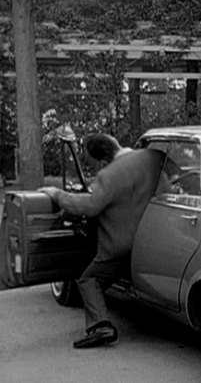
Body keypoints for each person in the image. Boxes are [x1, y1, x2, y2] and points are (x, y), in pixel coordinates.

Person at [39, 133, 165, 349]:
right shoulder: (153, 157)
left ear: (103, 160)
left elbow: (89, 206)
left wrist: (57, 194)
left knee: (88, 279)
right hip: (154, 237)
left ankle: (100, 326)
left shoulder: (109, 175)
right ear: (115, 142)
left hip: (121, 247)